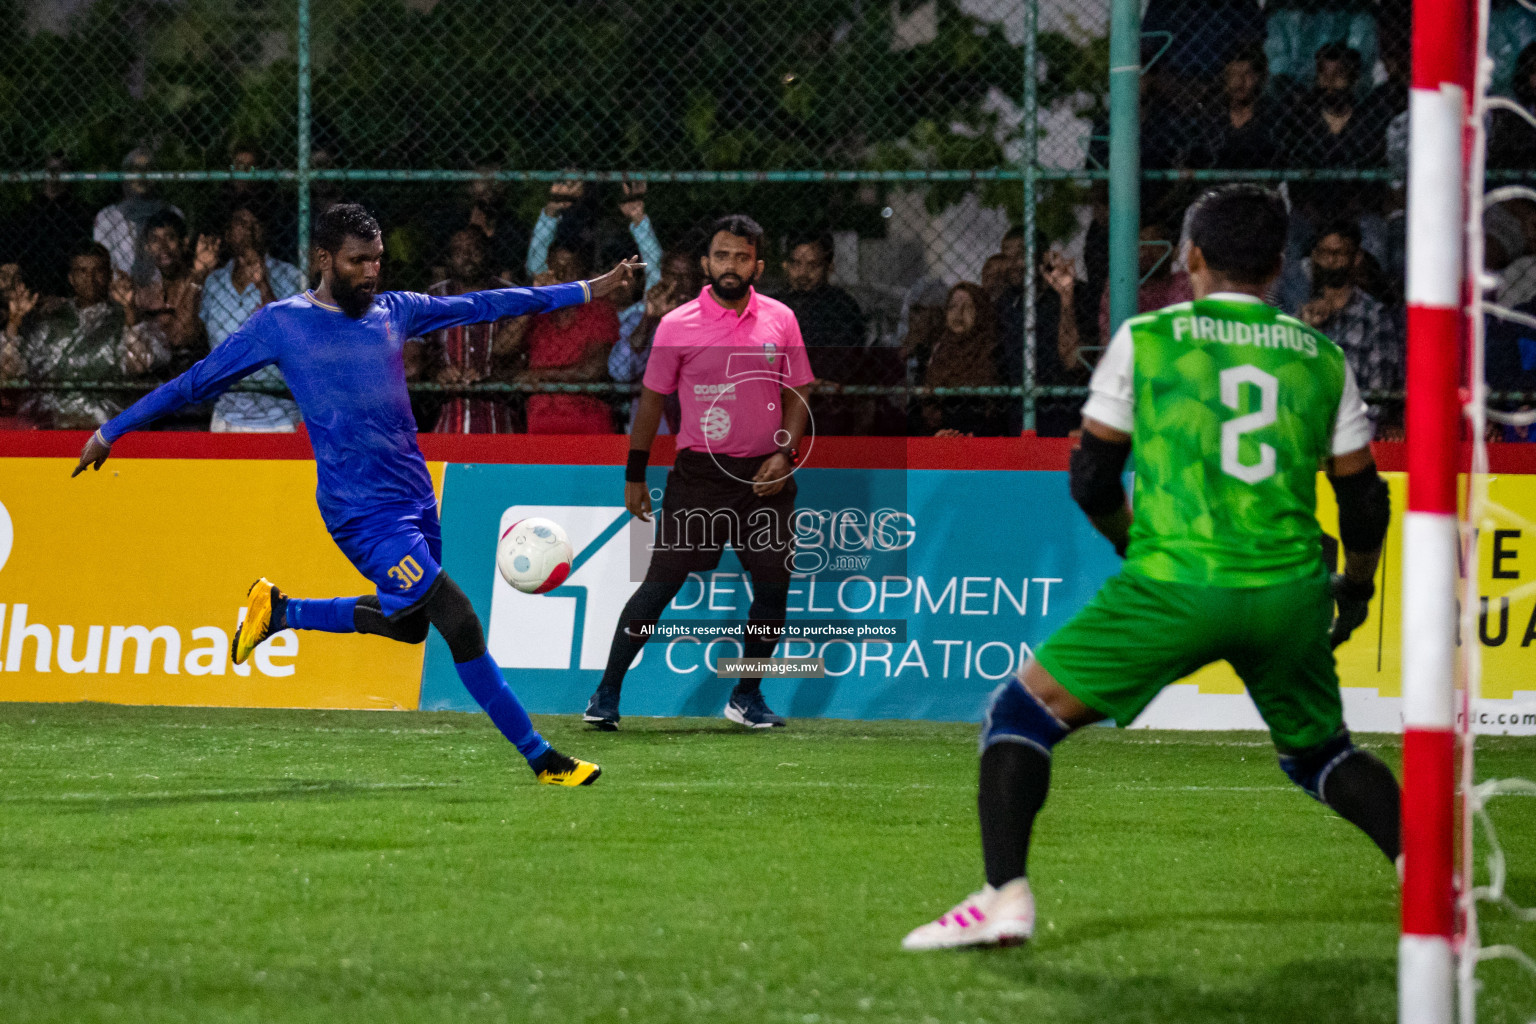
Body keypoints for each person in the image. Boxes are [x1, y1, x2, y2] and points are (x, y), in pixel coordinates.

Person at [902, 185, 1400, 951]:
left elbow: (1094, 477)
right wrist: (1358, 586)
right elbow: (1363, 501)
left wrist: (1131, 542)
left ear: (1191, 257)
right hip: (1289, 590)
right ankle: (1433, 888)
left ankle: (1005, 899)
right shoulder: (1322, 357)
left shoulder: (1150, 338)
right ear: (1277, 267)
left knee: (1019, 714)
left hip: (1175, 581)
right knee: (1324, 754)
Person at [71, 203, 644, 786]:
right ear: (324, 259)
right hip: (359, 511)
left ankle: (281, 611)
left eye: (377, 260)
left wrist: (589, 289)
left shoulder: (396, 311)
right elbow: (194, 381)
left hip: (416, 499)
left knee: (407, 626)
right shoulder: (281, 324)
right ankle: (543, 758)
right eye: (357, 261)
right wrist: (110, 430)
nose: (371, 272)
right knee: (459, 619)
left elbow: (487, 304)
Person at [583, 214, 814, 731]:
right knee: (660, 584)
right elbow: (650, 403)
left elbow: (798, 392)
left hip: (765, 479)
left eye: (741, 256)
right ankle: (606, 693)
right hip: (699, 477)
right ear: (708, 262)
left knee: (774, 586)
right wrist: (634, 474)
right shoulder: (676, 324)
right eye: (722, 256)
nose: (731, 265)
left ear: (758, 264)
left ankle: (746, 695)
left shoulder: (781, 318)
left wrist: (785, 452)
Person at [0, 243, 162, 429]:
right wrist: (14, 321)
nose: (90, 279)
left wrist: (129, 311)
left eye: (98, 271)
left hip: (104, 423)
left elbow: (140, 364)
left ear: (109, 276)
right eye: (82, 271)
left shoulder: (124, 317)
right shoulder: (49, 319)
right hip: (48, 422)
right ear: (71, 278)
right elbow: (8, 371)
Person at [406, 227, 524, 434]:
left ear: (487, 253)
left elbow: (527, 356)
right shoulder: (432, 299)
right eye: (459, 251)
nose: (467, 257)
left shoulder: (512, 297)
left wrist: (491, 377)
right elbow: (415, 355)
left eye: (474, 250)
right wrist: (437, 373)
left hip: (501, 419)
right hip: (449, 418)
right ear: (449, 258)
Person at [200, 204, 306, 432]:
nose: (248, 229)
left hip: (279, 416)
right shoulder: (214, 281)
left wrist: (263, 285)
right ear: (227, 233)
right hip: (226, 412)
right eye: (240, 222)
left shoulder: (290, 276)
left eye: (255, 223)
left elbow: (291, 341)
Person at [1290, 220, 1403, 423]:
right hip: (1308, 422)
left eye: (1340, 253)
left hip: (1357, 422)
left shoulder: (1374, 315)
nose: (1331, 261)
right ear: (1314, 256)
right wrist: (1307, 330)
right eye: (1325, 253)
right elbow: (1288, 381)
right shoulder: (1301, 310)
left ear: (1356, 257)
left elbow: (1380, 391)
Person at [520, 242, 620, 433]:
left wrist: (541, 375)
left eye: (569, 269)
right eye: (556, 270)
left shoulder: (599, 309)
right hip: (540, 422)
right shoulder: (537, 310)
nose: (561, 277)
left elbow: (592, 370)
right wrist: (532, 300)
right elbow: (501, 349)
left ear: (583, 275)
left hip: (587, 423)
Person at [608, 249, 700, 433]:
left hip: (703, 422)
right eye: (672, 275)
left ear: (699, 280)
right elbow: (620, 371)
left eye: (686, 276)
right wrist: (650, 320)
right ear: (662, 276)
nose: (678, 283)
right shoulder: (641, 317)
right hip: (656, 428)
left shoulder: (713, 317)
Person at [908, 282, 1002, 436]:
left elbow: (998, 413)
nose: (958, 314)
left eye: (968, 307)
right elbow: (916, 412)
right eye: (952, 307)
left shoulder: (993, 353)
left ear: (981, 312)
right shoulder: (936, 354)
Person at [92, 147, 180, 288]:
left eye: (147, 168)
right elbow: (102, 263)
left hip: (165, 291)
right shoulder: (107, 217)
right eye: (135, 169)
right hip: (119, 291)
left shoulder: (172, 213)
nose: (141, 175)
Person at [1097, 218, 1194, 343]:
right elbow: (1109, 336)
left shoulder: (1182, 283)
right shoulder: (1120, 284)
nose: (1146, 250)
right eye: (1142, 242)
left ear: (1173, 251)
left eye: (1155, 243)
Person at [775, 233, 865, 349]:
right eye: (796, 263)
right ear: (786, 265)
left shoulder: (842, 307)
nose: (803, 273)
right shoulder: (772, 304)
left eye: (813, 265)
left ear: (829, 267)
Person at [1195, 46, 1277, 170]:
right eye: (1233, 75)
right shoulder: (1212, 116)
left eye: (1247, 74)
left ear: (1259, 77)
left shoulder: (1272, 115)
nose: (1239, 82)